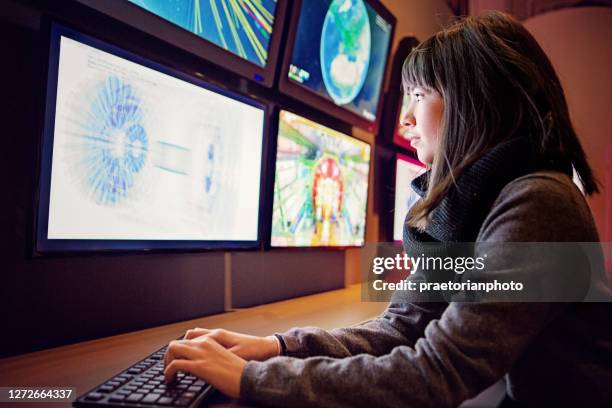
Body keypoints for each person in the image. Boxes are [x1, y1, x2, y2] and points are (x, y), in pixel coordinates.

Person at [163, 11, 612, 407]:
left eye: (418, 95)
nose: (405, 120)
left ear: (473, 101)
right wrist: (276, 347)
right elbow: (403, 327)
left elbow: (435, 373)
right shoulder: (485, 201)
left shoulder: (538, 203)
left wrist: (250, 378)